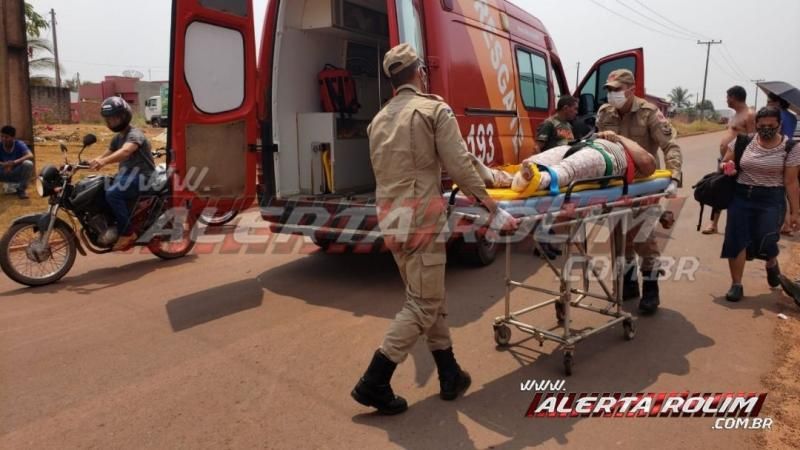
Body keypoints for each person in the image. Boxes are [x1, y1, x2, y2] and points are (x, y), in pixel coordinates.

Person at [351, 43, 518, 415]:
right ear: (420, 72)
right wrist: (492, 208)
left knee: (429, 298)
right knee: (424, 303)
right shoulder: (433, 109)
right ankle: (374, 382)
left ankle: (449, 373)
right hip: (422, 219)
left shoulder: (378, 120)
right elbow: (458, 164)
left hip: (391, 219)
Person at [596, 69, 683, 314]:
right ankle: (630, 284)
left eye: (617, 89)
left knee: (644, 238)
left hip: (643, 185)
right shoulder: (605, 113)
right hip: (615, 186)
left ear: (631, 90)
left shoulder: (649, 113)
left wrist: (673, 177)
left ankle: (651, 290)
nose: (612, 94)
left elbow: (670, 145)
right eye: (609, 90)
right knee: (620, 239)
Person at [719, 106, 800, 301]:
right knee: (736, 239)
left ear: (780, 125)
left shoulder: (791, 148)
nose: (766, 129)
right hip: (741, 196)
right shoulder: (743, 141)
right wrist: (726, 166)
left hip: (771, 199)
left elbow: (791, 182)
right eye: (762, 125)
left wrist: (795, 212)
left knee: (765, 239)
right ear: (756, 125)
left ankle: (771, 263)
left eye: (771, 126)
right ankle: (736, 284)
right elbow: (725, 162)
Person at [472, 133, 656, 192]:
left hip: (607, 159)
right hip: (580, 146)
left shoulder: (633, 152)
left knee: (566, 170)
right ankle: (496, 177)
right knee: (531, 162)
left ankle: (533, 181)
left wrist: (618, 138)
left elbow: (648, 163)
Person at [89, 97, 154, 251]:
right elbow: (108, 153)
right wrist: (93, 161)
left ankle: (127, 233)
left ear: (125, 116)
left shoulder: (134, 134)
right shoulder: (118, 137)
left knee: (113, 194)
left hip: (144, 177)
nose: (112, 122)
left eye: (115, 118)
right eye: (109, 119)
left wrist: (104, 162)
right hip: (127, 177)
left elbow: (125, 151)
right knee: (99, 189)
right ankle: (112, 224)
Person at [704, 86, 756, 234]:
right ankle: (713, 224)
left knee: (739, 192)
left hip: (738, 162)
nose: (726, 100)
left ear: (734, 97)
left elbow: (753, 140)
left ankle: (741, 226)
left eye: (728, 97)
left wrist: (741, 161)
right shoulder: (735, 114)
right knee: (718, 188)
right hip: (725, 159)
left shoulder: (750, 115)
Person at [0, 125, 34, 199]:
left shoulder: (19, 144)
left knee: (28, 164)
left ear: (13, 138)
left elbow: (30, 155)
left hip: (15, 173)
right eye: (2, 136)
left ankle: (21, 189)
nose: (3, 139)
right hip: (3, 172)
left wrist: (14, 163)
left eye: (6, 137)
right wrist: (4, 164)